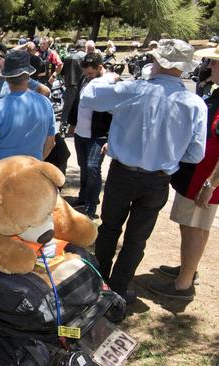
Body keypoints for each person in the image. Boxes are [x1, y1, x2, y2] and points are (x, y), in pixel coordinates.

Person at [80, 39, 207, 304]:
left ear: (159, 61)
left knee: (110, 228)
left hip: (123, 173)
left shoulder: (134, 89)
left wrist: (106, 78)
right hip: (158, 179)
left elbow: (89, 96)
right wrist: (169, 152)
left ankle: (99, 283)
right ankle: (118, 288)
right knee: (136, 238)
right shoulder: (194, 104)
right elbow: (195, 154)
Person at [148, 45, 219, 301]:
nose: (210, 66)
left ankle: (183, 285)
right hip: (196, 175)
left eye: (215, 63)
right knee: (195, 226)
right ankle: (189, 269)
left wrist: (211, 183)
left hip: (202, 178)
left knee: (193, 227)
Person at [0, 50, 56, 171]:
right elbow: (50, 144)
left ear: (6, 78)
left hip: (0, 173)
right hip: (31, 172)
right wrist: (33, 164)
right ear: (28, 76)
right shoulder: (46, 104)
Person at [68, 52, 114, 219]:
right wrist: (72, 123)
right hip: (81, 133)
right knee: (84, 166)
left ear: (100, 67)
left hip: (98, 135)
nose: (88, 76)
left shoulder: (109, 83)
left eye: (90, 73)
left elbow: (115, 114)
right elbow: (77, 102)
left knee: (93, 168)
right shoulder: (84, 79)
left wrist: (110, 138)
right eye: (86, 73)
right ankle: (83, 198)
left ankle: (91, 206)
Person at [0, 49, 50, 126]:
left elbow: (45, 91)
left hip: (10, 124)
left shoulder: (16, 78)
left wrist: (32, 111)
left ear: (5, 65)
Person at [61, 39, 87, 127]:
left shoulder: (68, 57)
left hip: (69, 85)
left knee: (67, 107)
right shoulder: (85, 56)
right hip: (81, 85)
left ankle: (63, 125)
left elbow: (63, 73)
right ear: (84, 47)